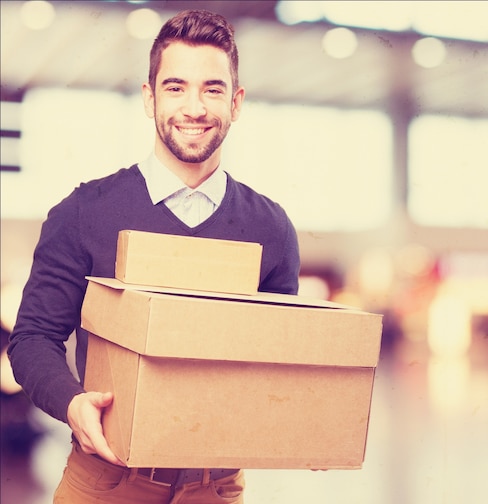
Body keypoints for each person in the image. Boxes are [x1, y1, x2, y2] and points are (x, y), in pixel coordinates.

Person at [8, 9, 300, 504]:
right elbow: (32, 339)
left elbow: (276, 361)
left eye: (212, 89)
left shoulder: (270, 229)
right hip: (106, 481)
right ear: (149, 98)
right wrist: (72, 403)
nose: (194, 107)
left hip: (217, 487)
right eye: (175, 87)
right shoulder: (83, 213)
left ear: (236, 101)